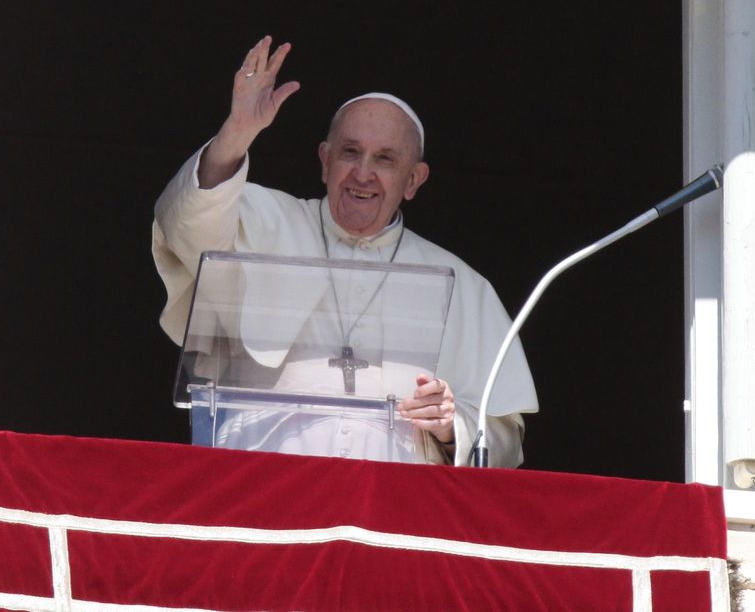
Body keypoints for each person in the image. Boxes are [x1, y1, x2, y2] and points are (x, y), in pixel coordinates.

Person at [153, 36, 538, 466]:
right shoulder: (266, 220)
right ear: (324, 160)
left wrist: (452, 427)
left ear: (414, 180)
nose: (363, 173)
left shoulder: (463, 284)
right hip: (263, 483)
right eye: (350, 152)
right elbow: (184, 224)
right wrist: (238, 132)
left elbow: (503, 441)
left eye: (386, 159)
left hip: (391, 506)